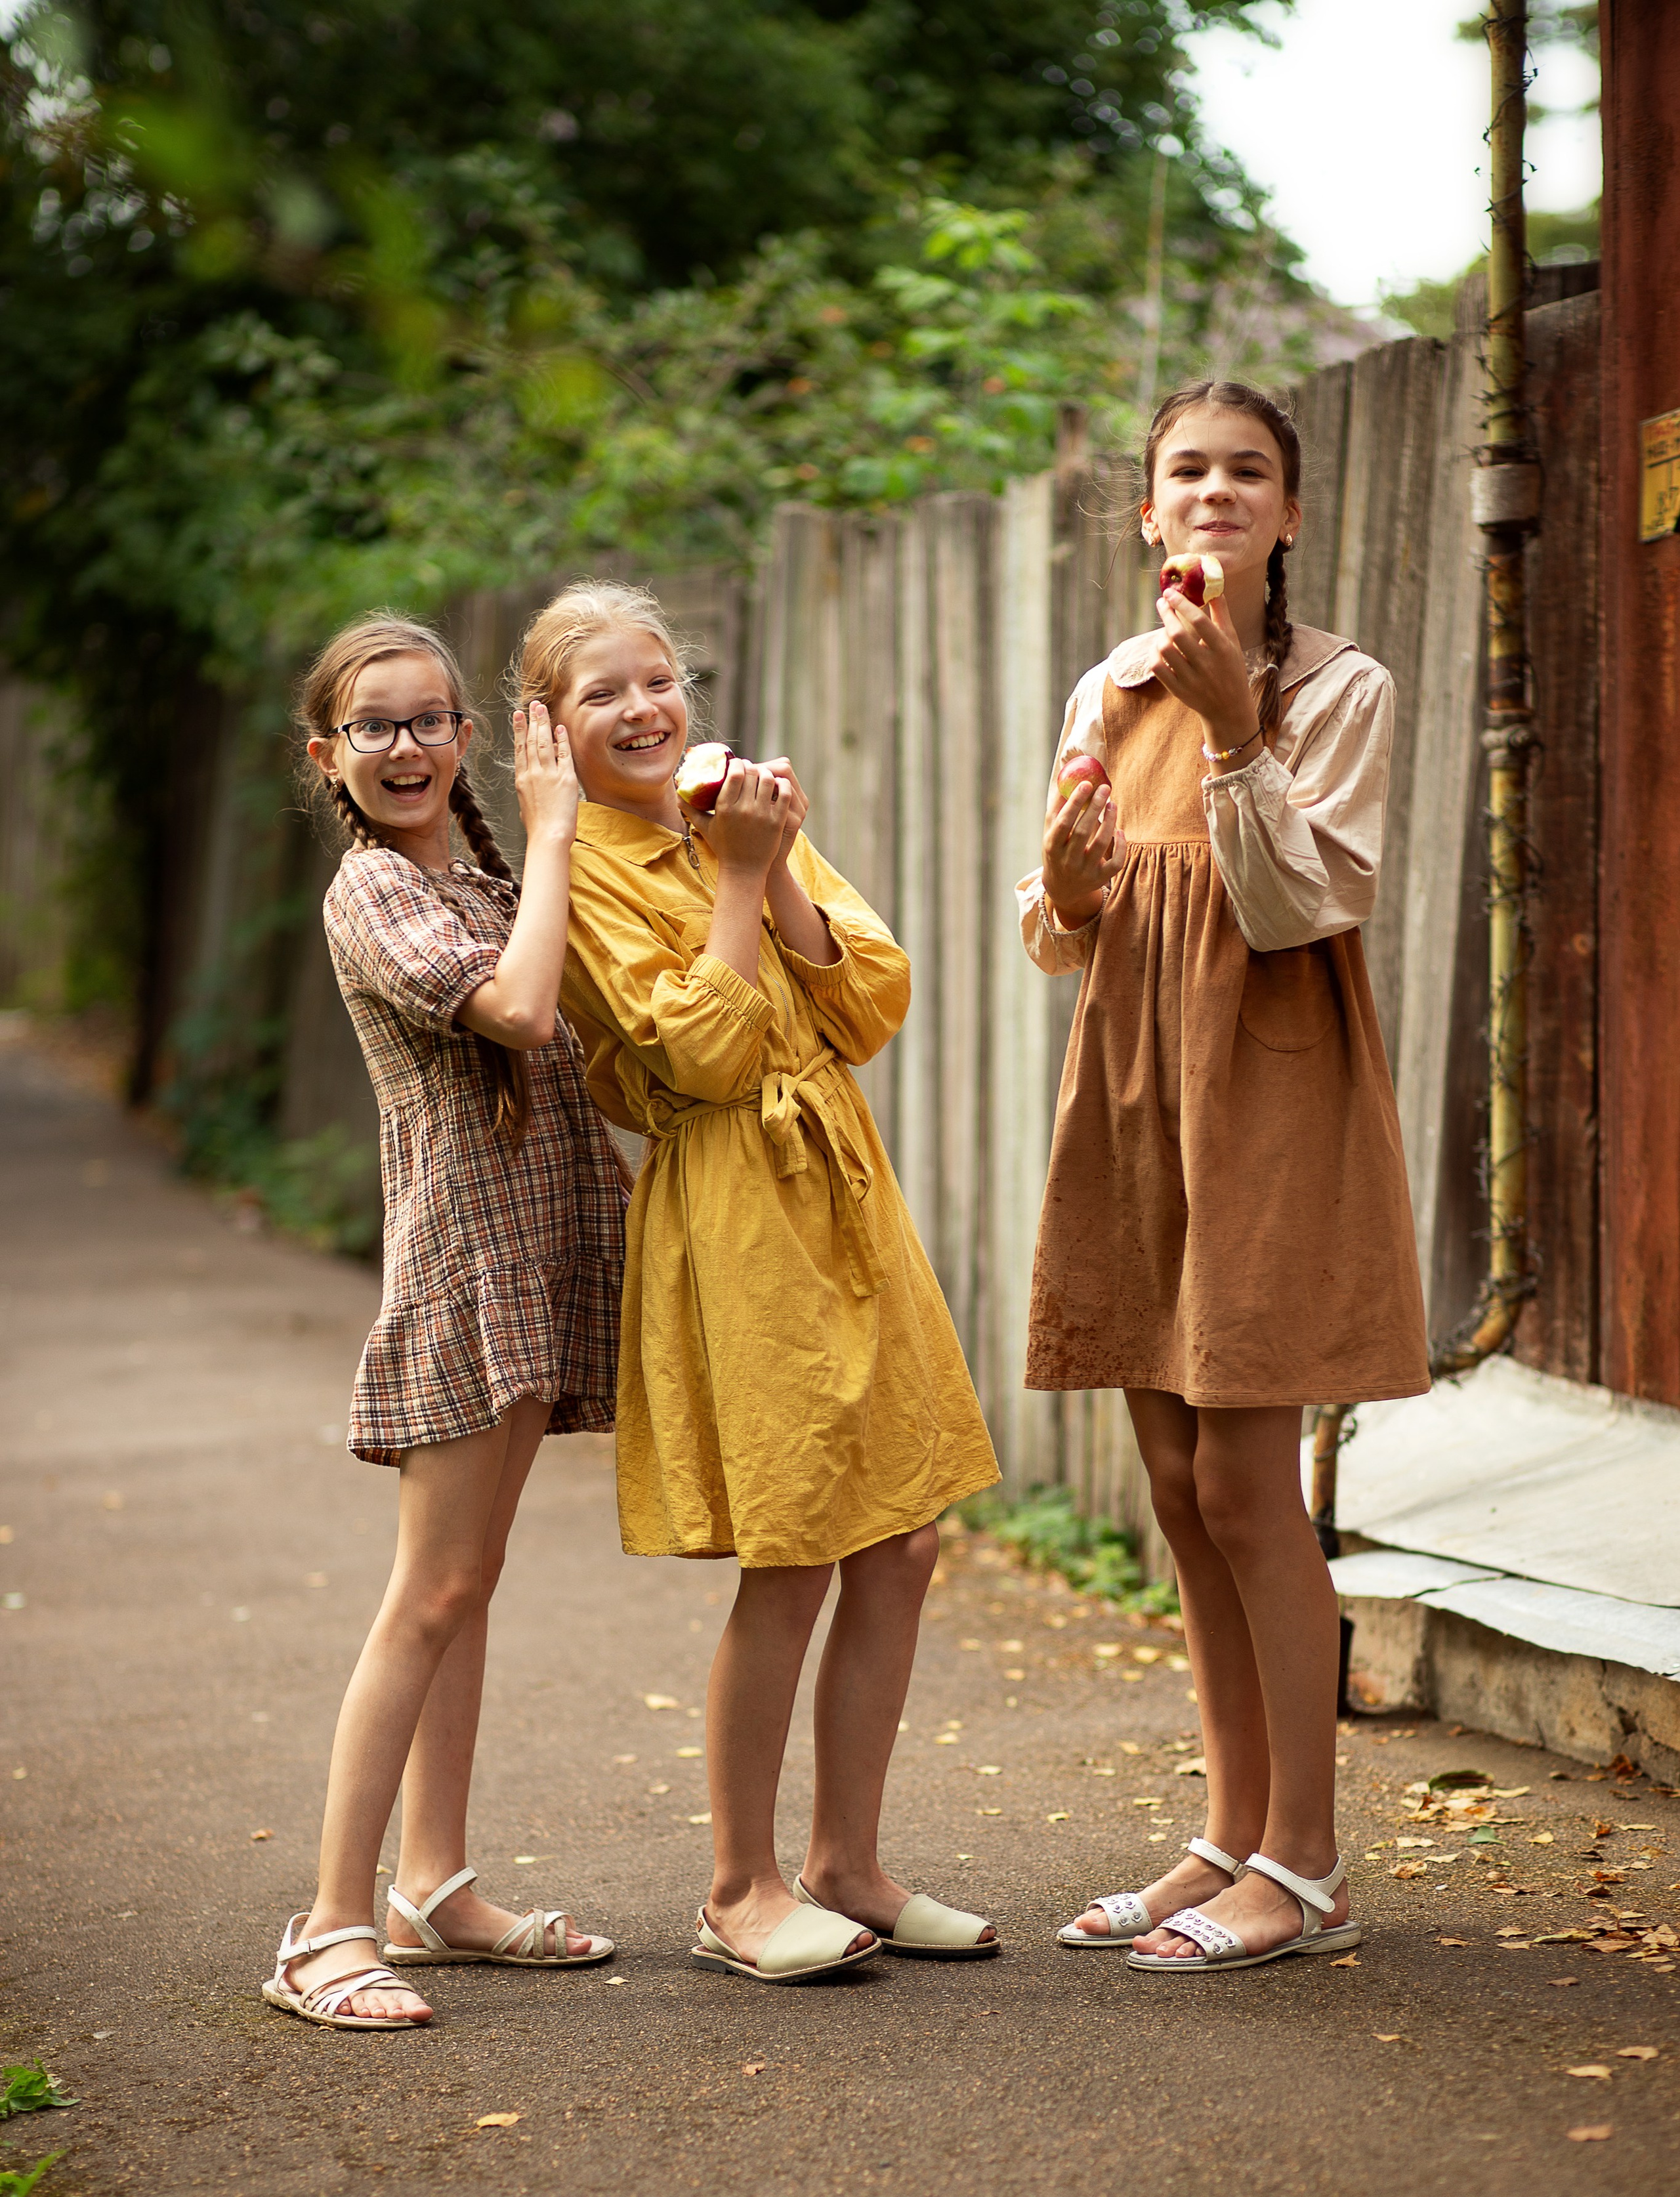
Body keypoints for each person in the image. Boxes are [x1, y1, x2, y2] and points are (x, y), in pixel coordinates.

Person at [513, 581, 1001, 1984]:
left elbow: (868, 1003)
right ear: (549, 731)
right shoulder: (581, 870)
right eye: (602, 693)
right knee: (794, 1549)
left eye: (656, 679)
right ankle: (739, 1888)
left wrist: (770, 862)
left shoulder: (735, 817)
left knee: (900, 1540)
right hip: (734, 1206)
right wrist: (735, 881)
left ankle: (847, 1863)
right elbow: (705, 1056)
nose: (641, 709)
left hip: (843, 1187)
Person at [1022, 383, 1429, 1975]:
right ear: (1148, 512)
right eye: (1185, 471)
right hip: (1135, 1093)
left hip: (1264, 1095)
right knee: (1178, 1488)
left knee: (1251, 1486)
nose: (1214, 492)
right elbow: (1058, 930)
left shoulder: (1339, 690)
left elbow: (1292, 908)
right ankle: (1229, 1830)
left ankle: (1305, 1867)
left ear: (1289, 513)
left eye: (1246, 472)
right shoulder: (1106, 686)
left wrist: (1236, 734)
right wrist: (1064, 892)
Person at [262, 613, 624, 2031]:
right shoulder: (373, 895)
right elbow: (525, 1012)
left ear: (466, 736)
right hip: (466, 1269)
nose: (405, 746)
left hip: (532, 1258)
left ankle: (432, 1887)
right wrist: (557, 830)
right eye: (375, 726)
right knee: (427, 1594)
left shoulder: (474, 880)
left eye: (428, 720)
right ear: (329, 757)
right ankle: (326, 1931)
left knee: (467, 1584)